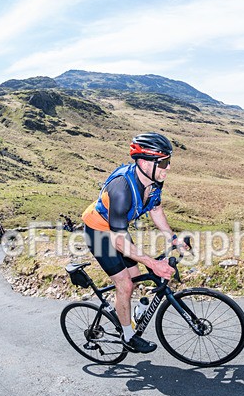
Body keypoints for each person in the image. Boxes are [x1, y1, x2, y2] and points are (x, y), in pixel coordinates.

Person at [81, 132, 189, 354]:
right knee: (125, 284)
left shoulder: (153, 180)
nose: (168, 168)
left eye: (169, 162)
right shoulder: (121, 189)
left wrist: (172, 238)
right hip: (98, 233)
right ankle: (128, 336)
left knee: (136, 276)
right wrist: (154, 263)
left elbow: (156, 209)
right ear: (144, 162)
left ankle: (129, 308)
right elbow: (117, 241)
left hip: (116, 231)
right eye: (164, 163)